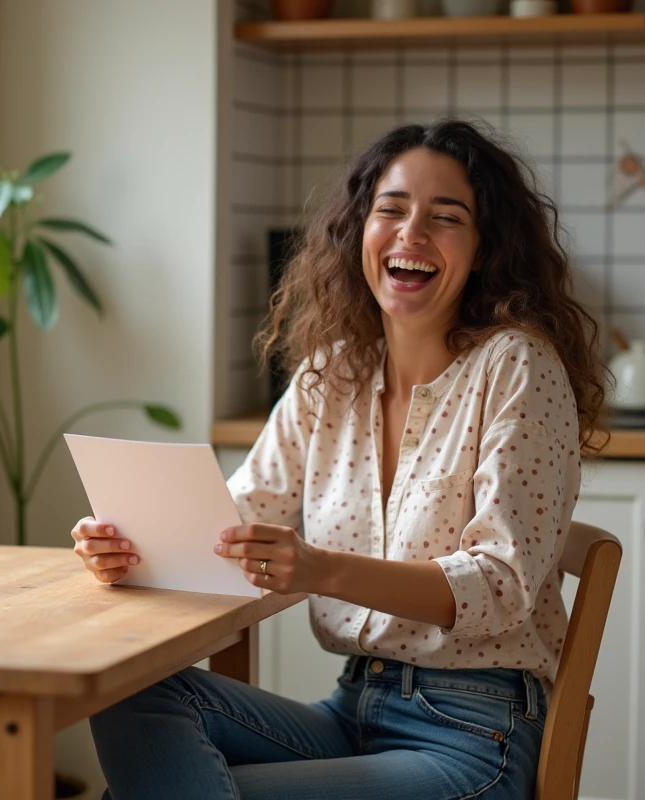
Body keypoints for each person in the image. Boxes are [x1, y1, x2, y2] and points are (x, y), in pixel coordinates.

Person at [71, 118, 606, 800]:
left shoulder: (517, 367)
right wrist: (130, 546)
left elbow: (499, 584)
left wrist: (322, 570)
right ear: (361, 230)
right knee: (130, 691)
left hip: (477, 734)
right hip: (354, 706)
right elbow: (232, 523)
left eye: (446, 218)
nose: (411, 235)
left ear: (485, 249)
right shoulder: (333, 375)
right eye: (391, 210)